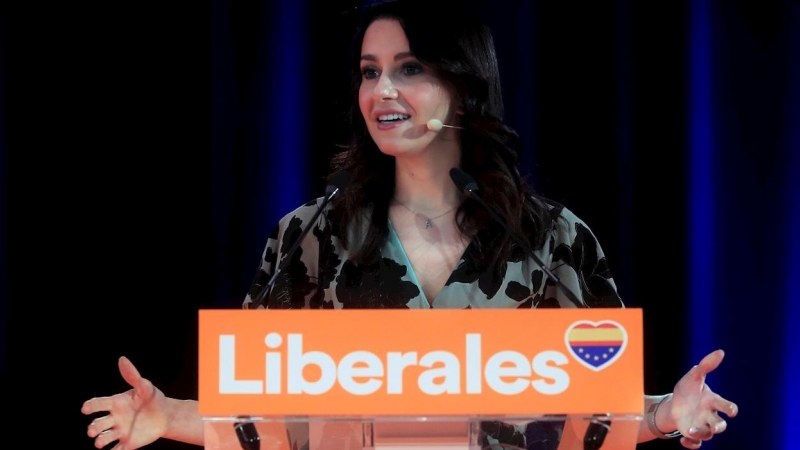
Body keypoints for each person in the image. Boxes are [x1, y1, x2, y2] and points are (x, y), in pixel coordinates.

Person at [81, 0, 738, 449]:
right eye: (370, 73)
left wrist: (666, 415)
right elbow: (260, 413)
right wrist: (167, 416)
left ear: (464, 81)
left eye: (409, 69)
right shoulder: (310, 237)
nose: (382, 91)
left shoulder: (550, 239)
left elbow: (600, 411)